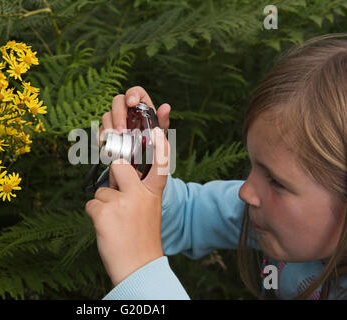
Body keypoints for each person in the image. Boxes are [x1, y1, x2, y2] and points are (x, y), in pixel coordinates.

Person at [84, 34, 347, 300]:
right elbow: (187, 216)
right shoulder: (270, 214)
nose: (246, 192)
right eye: (253, 165)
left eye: (277, 182)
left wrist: (141, 276)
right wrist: (140, 167)